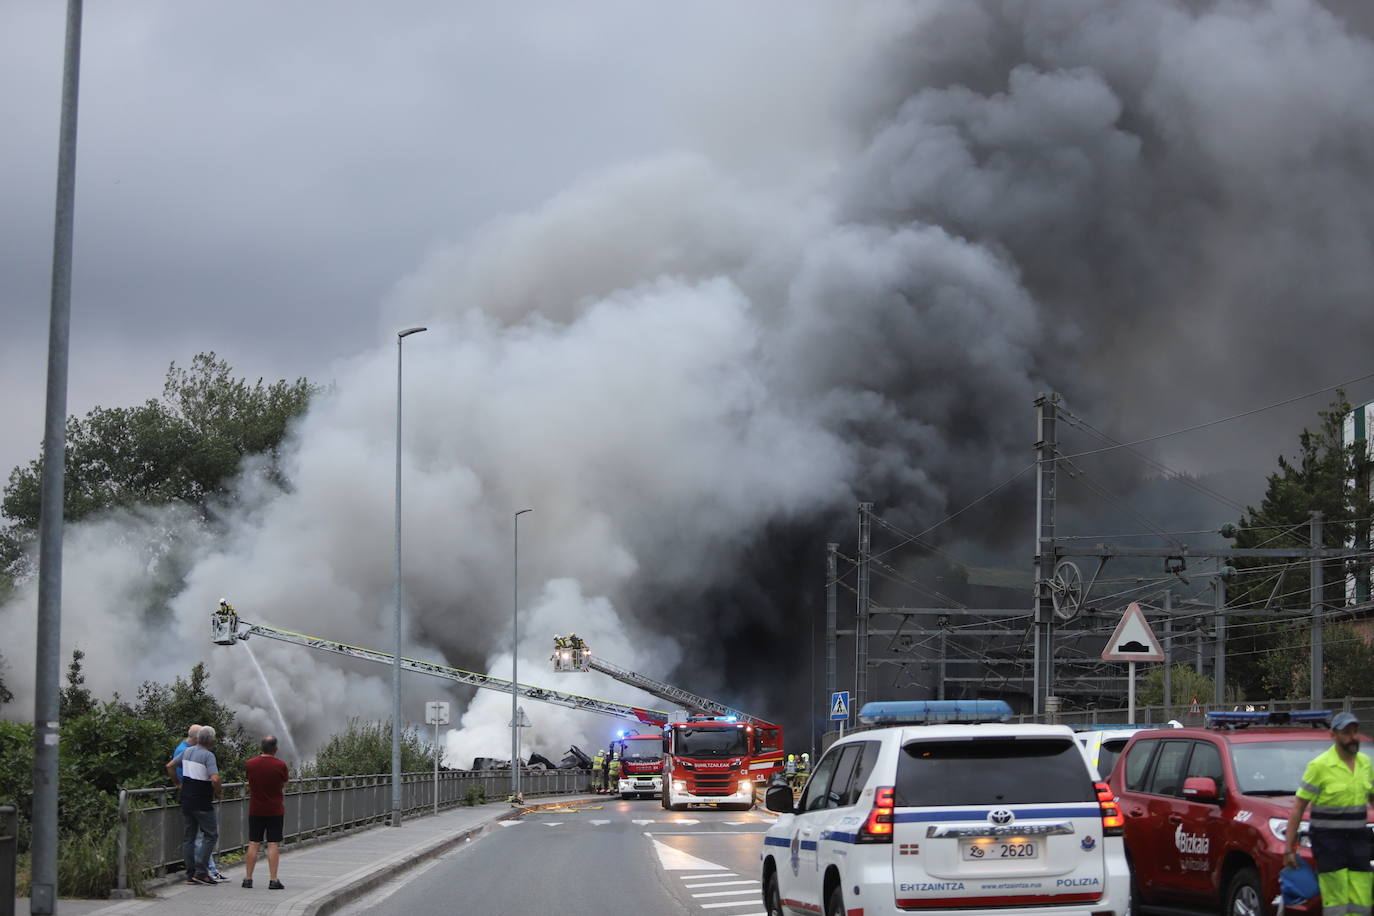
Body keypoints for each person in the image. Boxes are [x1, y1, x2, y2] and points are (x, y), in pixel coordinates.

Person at [1284, 711, 1374, 916]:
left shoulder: (1365, 763)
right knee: (1337, 900)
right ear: (1333, 735)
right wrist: (1289, 847)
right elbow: (1298, 807)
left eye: (1355, 732)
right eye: (1346, 733)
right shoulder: (1319, 766)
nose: (1353, 737)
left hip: (1359, 842)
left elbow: (1372, 798)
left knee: (1362, 896)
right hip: (1329, 843)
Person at [167, 726, 222, 886]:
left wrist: (178, 783)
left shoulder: (188, 751)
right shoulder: (208, 755)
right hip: (202, 802)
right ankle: (202, 872)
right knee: (211, 835)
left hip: (187, 800)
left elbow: (170, 766)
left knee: (189, 837)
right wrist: (218, 793)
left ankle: (190, 874)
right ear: (211, 740)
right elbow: (215, 779)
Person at [243, 735, 290, 890]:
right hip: (275, 810)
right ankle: (273, 880)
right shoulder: (281, 765)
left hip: (255, 809)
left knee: (253, 843)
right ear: (275, 749)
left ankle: (248, 879)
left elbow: (249, 781)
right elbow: (284, 783)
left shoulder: (250, 764)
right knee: (273, 844)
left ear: (261, 748)